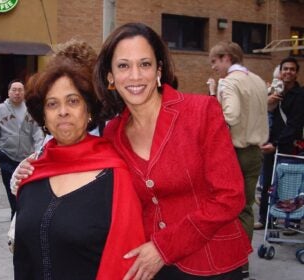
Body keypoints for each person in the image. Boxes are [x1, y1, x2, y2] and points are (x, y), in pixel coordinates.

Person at [13, 23, 252, 279]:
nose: (135, 76)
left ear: (159, 70)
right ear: (110, 76)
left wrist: (164, 247)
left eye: (145, 64)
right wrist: (31, 170)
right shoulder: (113, 133)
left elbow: (230, 196)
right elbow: (78, 159)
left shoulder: (201, 111)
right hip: (150, 268)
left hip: (211, 261)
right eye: (124, 66)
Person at [13, 39, 145, 279]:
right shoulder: (31, 175)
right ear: (43, 116)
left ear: (89, 110)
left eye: (73, 101)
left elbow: (128, 262)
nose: (63, 111)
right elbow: (23, 258)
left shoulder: (115, 176)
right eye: (52, 104)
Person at [208, 41, 269, 278]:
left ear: (226, 58)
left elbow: (230, 115)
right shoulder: (256, 80)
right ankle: (243, 263)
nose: (214, 67)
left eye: (215, 61)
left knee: (226, 207)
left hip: (234, 152)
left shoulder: (230, 81)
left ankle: (230, 260)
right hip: (256, 151)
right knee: (246, 208)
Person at [255, 57, 304, 233]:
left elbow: (295, 124)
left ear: (296, 73)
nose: (288, 72)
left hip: (290, 145)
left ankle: (292, 222)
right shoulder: (275, 92)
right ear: (280, 72)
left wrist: (276, 144)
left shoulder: (301, 95)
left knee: (290, 185)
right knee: (267, 183)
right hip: (271, 144)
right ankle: (265, 219)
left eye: (292, 69)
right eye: (285, 69)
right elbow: (263, 117)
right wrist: (269, 102)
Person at [0, 79, 44, 219]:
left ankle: (23, 215)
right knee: (11, 189)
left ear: (24, 92)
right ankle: (15, 214)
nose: (17, 93)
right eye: (14, 90)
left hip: (27, 158)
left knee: (25, 189)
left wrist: (38, 152)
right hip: (6, 157)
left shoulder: (30, 109)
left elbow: (37, 132)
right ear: (8, 92)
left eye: (20, 90)